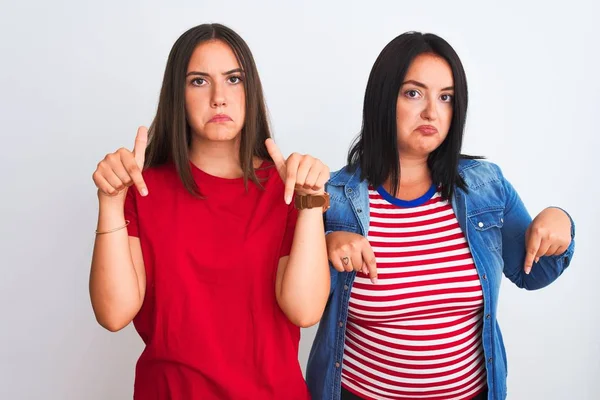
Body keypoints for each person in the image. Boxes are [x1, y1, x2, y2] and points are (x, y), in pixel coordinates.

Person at [306, 31, 575, 400]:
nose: (432, 111)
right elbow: (298, 305)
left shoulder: (486, 187)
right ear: (383, 98)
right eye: (413, 93)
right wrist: (323, 246)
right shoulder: (332, 197)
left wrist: (562, 222)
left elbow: (533, 273)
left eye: (446, 97)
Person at [89, 23, 331, 399]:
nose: (219, 97)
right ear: (177, 96)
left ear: (251, 89)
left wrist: (311, 202)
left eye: (234, 79)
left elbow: (305, 311)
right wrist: (110, 202)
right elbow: (114, 314)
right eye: (199, 81)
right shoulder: (141, 188)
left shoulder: (288, 188)